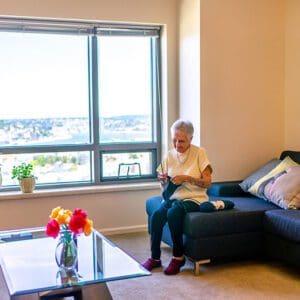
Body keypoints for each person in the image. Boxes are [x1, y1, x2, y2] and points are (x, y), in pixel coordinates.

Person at [142, 119, 233, 275]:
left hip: (194, 198)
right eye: (174, 140)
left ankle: (178, 257)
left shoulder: (200, 153)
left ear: (191, 138)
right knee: (157, 216)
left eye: (182, 141)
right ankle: (155, 258)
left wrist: (187, 178)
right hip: (173, 197)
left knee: (173, 213)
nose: (177, 144)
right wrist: (162, 178)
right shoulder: (169, 155)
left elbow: (207, 183)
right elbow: (161, 174)